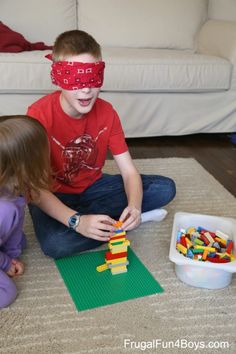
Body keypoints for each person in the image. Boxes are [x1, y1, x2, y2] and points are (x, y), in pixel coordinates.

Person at [27, 30, 176, 259]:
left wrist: (134, 207)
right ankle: (100, 222)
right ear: (57, 78)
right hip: (53, 194)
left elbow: (129, 173)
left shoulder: (107, 113)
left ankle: (104, 221)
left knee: (165, 188)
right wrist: (75, 221)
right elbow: (34, 188)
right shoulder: (39, 115)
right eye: (75, 79)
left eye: (92, 78)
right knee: (55, 244)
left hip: (94, 188)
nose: (86, 89)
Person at [0, 115, 51, 308]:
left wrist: (11, 254)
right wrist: (6, 263)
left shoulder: (15, 188)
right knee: (7, 293)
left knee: (20, 242)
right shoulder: (5, 209)